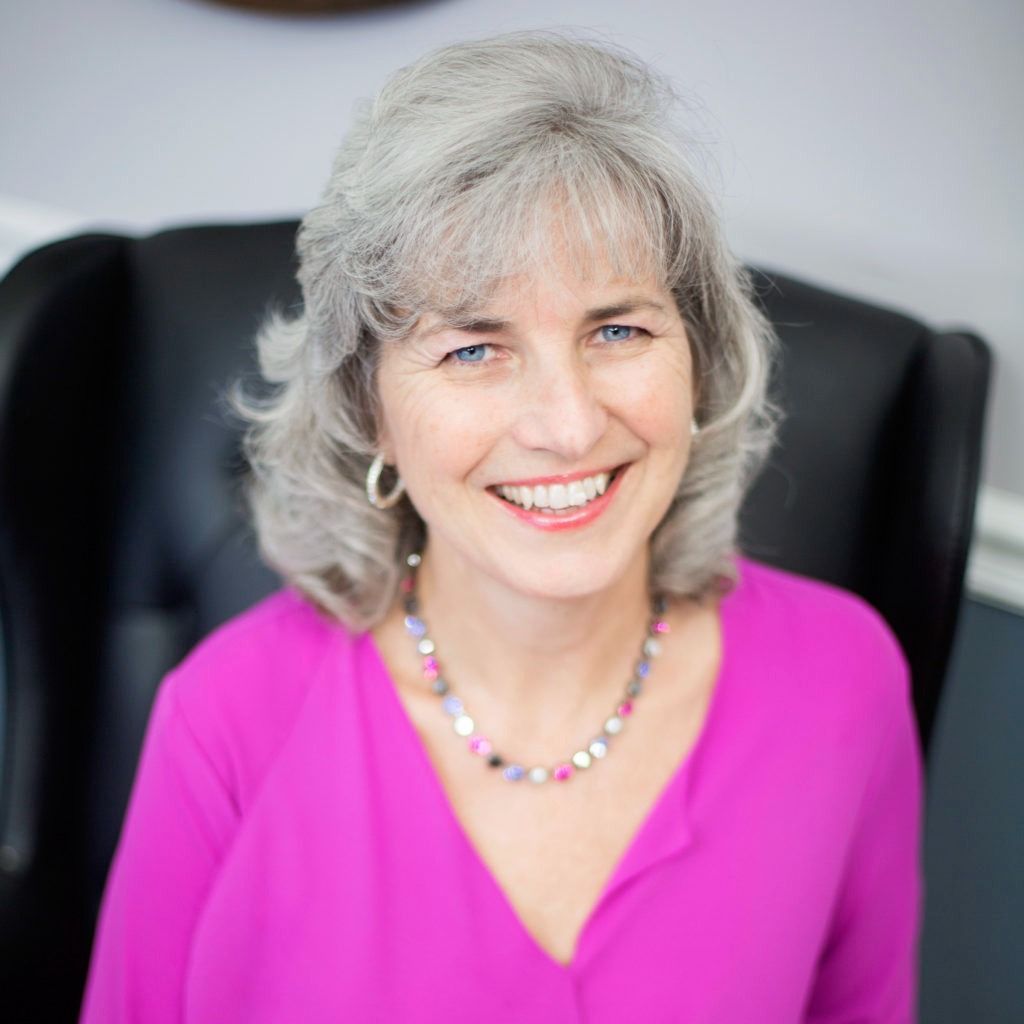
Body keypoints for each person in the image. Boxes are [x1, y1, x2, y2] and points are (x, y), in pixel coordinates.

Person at [80, 31, 923, 1023]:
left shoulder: (841, 678)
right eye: (475, 348)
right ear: (369, 410)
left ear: (699, 361)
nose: (566, 423)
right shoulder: (225, 723)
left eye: (618, 329)